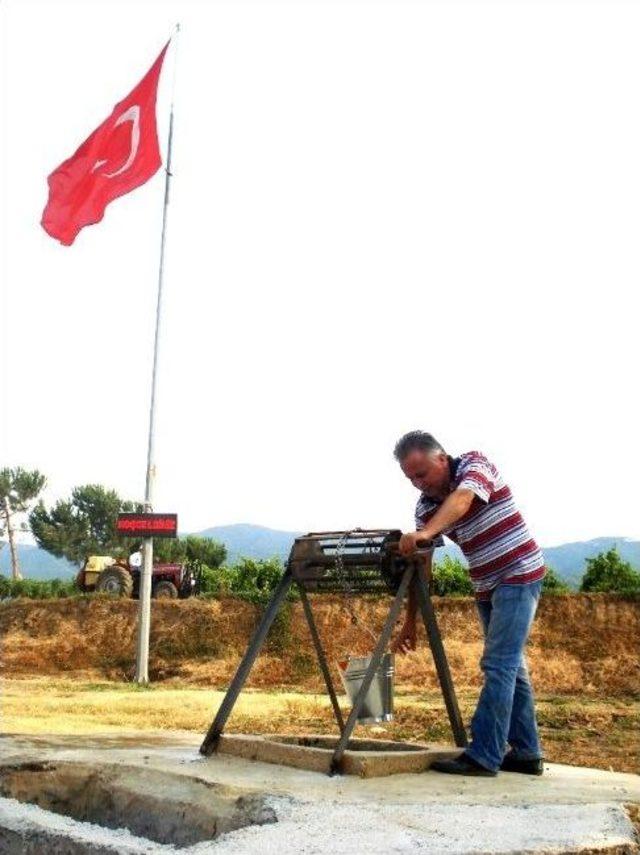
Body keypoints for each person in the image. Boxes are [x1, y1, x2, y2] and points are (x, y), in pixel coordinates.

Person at [392, 430, 546, 777]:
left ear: (442, 459)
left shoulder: (474, 465)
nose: (418, 483)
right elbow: (422, 568)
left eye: (422, 473)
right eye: (410, 478)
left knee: (498, 664)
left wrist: (426, 533)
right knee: (511, 667)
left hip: (519, 572)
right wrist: (410, 621)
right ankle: (526, 753)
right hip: (486, 583)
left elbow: (462, 499)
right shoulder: (426, 508)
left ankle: (484, 755)